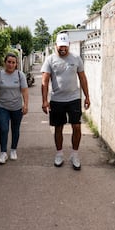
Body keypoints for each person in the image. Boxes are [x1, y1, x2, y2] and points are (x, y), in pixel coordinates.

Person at [41, 32, 90, 170]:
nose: (63, 49)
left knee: (76, 126)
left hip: (74, 98)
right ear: (56, 45)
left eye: (65, 46)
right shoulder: (50, 60)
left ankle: (74, 155)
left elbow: (82, 78)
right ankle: (59, 154)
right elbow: (44, 81)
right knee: (58, 127)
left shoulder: (76, 58)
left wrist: (87, 96)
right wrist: (45, 101)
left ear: (69, 45)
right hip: (57, 100)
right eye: (60, 46)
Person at [0, 53, 29, 164]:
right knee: (4, 129)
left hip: (16, 108)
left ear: (16, 64)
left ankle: (13, 150)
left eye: (13, 62)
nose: (11, 64)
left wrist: (25, 105)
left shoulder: (20, 75)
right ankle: (3, 153)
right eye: (9, 62)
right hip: (3, 108)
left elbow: (24, 90)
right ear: (5, 62)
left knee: (15, 129)